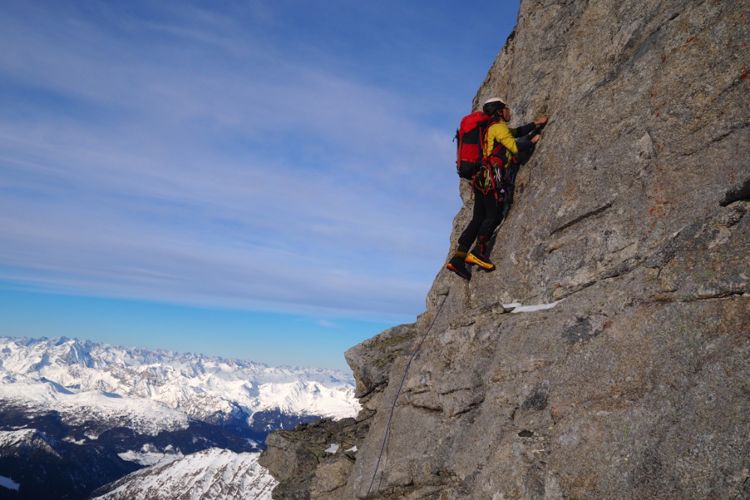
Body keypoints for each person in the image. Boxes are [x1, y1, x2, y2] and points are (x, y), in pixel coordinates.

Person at [446, 97, 548, 280]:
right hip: (491, 178)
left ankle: (458, 258)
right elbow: (515, 146)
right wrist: (533, 141)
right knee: (494, 215)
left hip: (479, 179)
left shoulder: (488, 129)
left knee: (478, 218)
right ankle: (478, 252)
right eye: (506, 108)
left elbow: (514, 132)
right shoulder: (497, 127)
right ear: (499, 111)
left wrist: (535, 124)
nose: (509, 111)